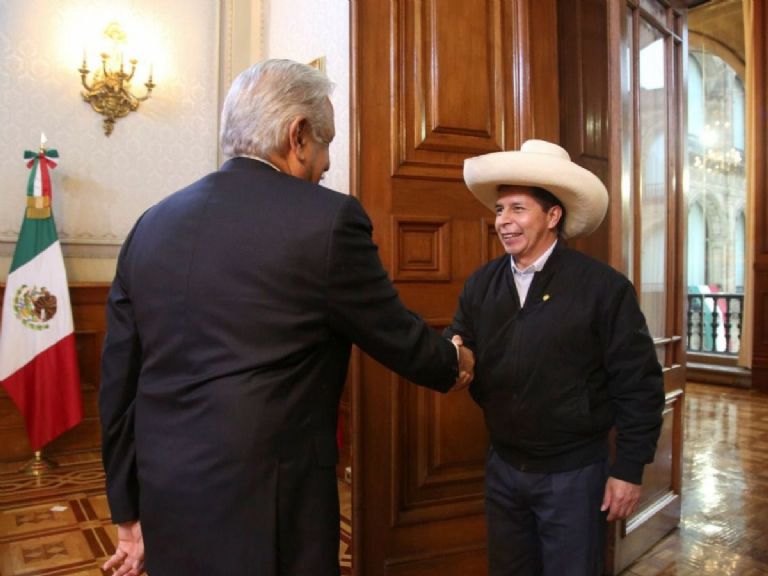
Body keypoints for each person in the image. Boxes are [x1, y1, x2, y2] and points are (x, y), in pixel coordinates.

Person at [99, 59, 474, 576]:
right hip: (270, 506)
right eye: (327, 143)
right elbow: (392, 333)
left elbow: (118, 380)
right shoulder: (327, 219)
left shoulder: (151, 223)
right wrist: (451, 362)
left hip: (166, 490)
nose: (326, 164)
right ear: (298, 136)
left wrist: (127, 511)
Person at [445, 139, 665, 576]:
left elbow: (639, 385)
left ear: (553, 216)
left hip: (575, 476)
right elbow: (460, 342)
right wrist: (452, 354)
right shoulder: (481, 284)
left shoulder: (604, 288)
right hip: (504, 468)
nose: (503, 222)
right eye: (500, 209)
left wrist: (629, 470)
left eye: (517, 209)